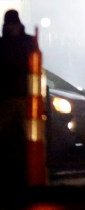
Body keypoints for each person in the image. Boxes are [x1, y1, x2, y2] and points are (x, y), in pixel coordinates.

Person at [0, 10, 39, 189]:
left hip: (18, 95)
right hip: (12, 95)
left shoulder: (7, 43)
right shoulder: (27, 41)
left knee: (26, 136)